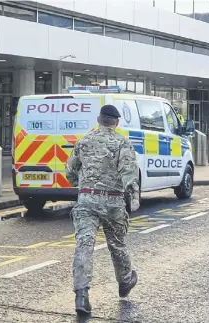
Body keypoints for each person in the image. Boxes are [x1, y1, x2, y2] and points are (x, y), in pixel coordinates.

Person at [66, 105, 140, 315]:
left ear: (99, 120)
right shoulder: (122, 142)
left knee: (84, 245)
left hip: (86, 199)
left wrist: (83, 187)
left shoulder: (84, 141)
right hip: (113, 201)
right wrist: (133, 196)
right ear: (116, 122)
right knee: (116, 244)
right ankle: (125, 281)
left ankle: (82, 295)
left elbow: (70, 170)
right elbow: (128, 171)